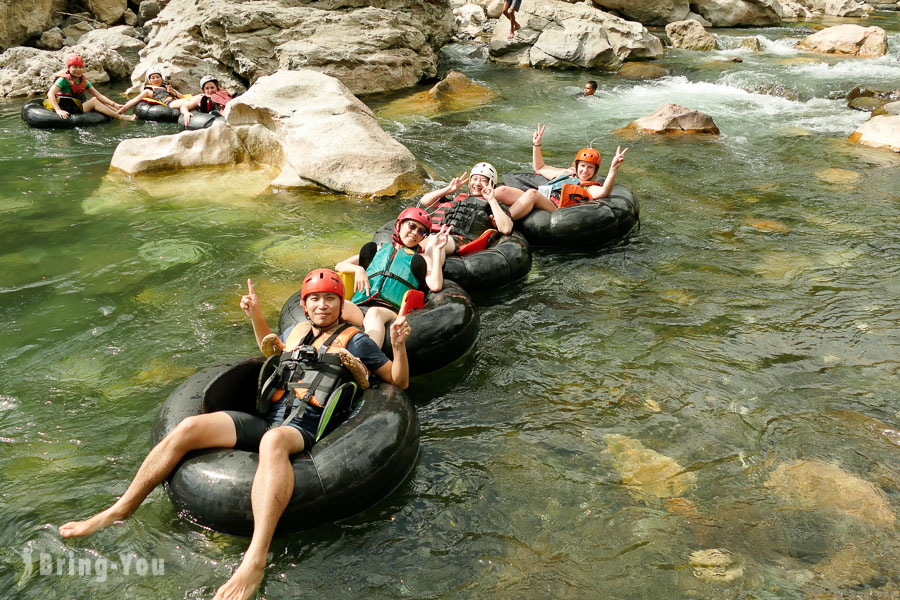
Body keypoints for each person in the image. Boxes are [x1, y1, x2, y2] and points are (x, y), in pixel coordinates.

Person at [59, 269, 411, 600]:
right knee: (189, 427)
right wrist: (256, 315)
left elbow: (398, 380)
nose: (322, 305)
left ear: (341, 304)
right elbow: (271, 350)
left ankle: (255, 559)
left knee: (273, 442)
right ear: (304, 305)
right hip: (268, 416)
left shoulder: (359, 341)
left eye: (330, 299)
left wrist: (397, 345)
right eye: (315, 299)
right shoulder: (296, 333)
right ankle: (121, 508)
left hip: (304, 426)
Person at [336, 207, 450, 348]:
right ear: (399, 225)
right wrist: (358, 269)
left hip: (388, 310)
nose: (415, 233)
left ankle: (365, 361)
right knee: (337, 306)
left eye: (421, 231)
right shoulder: (379, 249)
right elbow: (340, 265)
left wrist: (438, 250)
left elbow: (436, 285)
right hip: (361, 305)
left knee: (374, 313)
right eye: (412, 226)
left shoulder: (422, 258)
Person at [493, 123, 628, 219]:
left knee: (532, 193)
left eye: (590, 167)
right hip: (543, 196)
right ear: (576, 166)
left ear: (595, 171)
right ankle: (476, 202)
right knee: (502, 190)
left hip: (555, 207)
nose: (585, 170)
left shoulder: (590, 187)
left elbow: (605, 191)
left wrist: (614, 168)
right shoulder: (566, 173)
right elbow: (539, 168)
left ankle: (505, 219)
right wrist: (536, 145)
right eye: (582, 166)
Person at [417, 162, 513, 264]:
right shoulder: (457, 199)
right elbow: (425, 201)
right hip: (435, 234)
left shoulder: (493, 205)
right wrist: (448, 190)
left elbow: (506, 229)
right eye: (474, 179)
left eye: (483, 180)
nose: (477, 183)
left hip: (460, 240)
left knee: (433, 241)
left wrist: (491, 199)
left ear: (492, 184)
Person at [45, 54, 136, 121]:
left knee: (97, 99)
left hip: (76, 106)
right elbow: (50, 93)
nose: (78, 70)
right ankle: (120, 117)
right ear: (69, 68)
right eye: (75, 67)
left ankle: (118, 112)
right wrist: (58, 110)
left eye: (80, 67)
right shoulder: (63, 80)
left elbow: (99, 96)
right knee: (93, 101)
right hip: (65, 107)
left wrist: (115, 104)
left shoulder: (84, 81)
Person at [116, 66, 186, 115]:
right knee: (188, 102)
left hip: (176, 100)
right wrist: (124, 108)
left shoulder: (166, 86)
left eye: (158, 77)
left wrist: (172, 92)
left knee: (191, 100)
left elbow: (182, 96)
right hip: (169, 103)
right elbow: (135, 100)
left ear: (161, 78)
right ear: (150, 81)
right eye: (153, 78)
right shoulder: (148, 90)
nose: (156, 79)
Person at [169, 75, 233, 126]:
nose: (210, 90)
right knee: (187, 101)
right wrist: (186, 113)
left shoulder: (223, 94)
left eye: (212, 87)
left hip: (220, 112)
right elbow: (184, 107)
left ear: (217, 88)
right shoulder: (200, 98)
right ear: (204, 90)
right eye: (207, 88)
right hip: (176, 103)